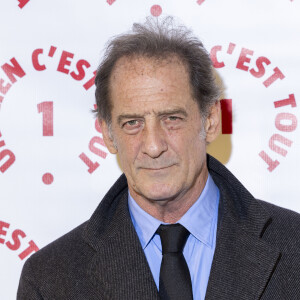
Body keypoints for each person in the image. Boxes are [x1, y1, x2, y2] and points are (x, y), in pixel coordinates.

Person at [17, 17, 300, 300]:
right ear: (107, 134)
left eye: (172, 118)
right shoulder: (50, 280)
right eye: (132, 123)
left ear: (211, 120)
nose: (153, 146)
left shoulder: (294, 248)